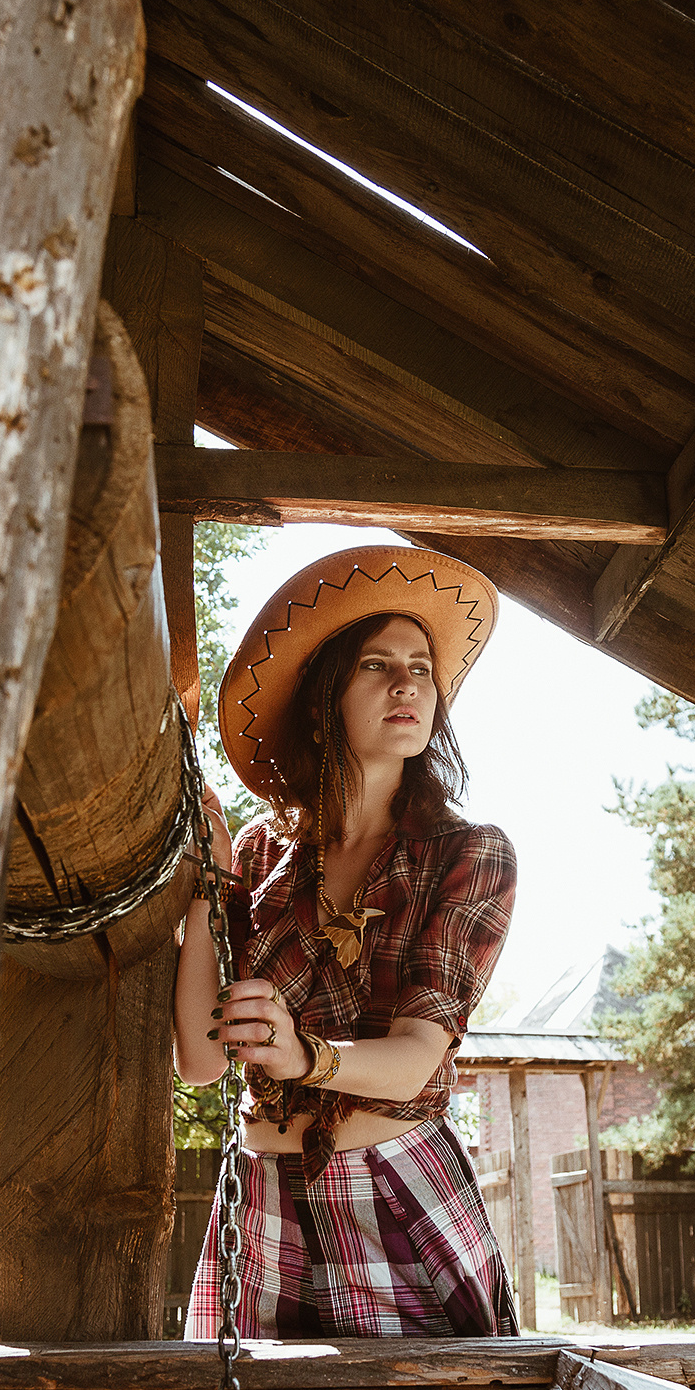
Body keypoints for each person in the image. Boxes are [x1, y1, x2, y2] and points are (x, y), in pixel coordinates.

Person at [175, 545, 520, 1339]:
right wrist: (207, 883)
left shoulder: (469, 854)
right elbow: (197, 1061)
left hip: (393, 1187)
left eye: (421, 668)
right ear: (326, 694)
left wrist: (306, 1057)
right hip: (258, 1195)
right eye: (376, 664)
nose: (407, 683)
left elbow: (416, 1057)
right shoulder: (261, 854)